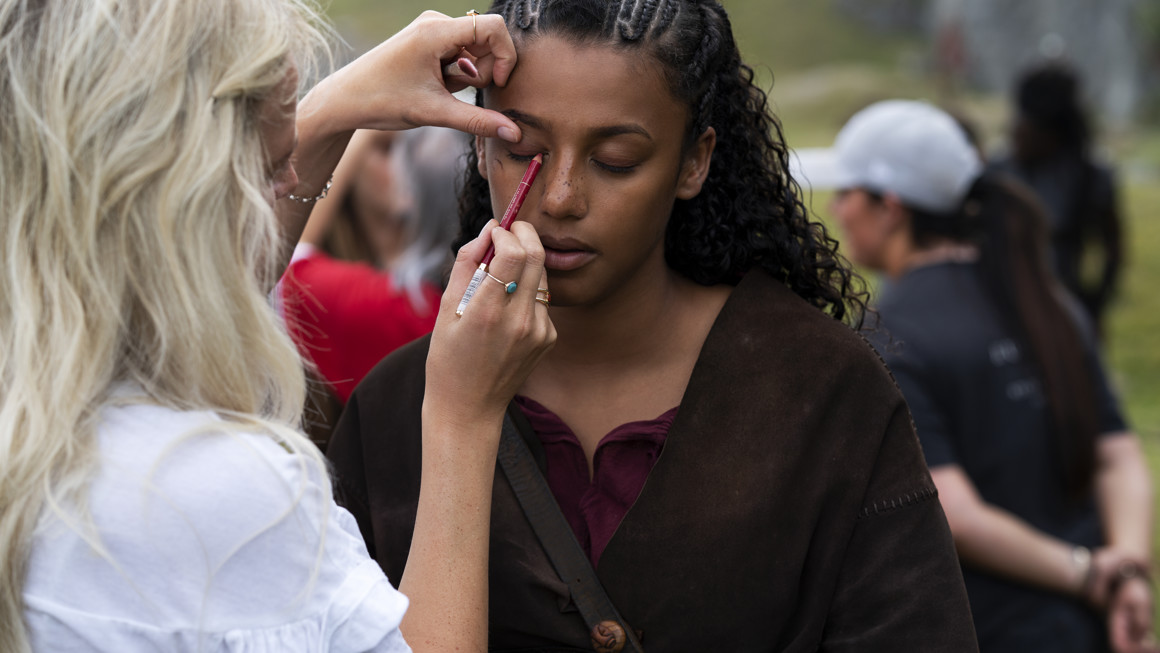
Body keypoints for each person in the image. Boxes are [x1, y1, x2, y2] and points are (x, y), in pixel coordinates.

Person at [327, 1, 978, 650]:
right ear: (479, 143)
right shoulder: (396, 406)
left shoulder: (820, 388)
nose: (560, 198)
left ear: (694, 161)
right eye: (521, 149)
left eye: (614, 160)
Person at [0, 1, 557, 652]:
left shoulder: (40, 399)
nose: (293, 183)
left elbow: (177, 317)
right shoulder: (217, 501)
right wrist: (464, 416)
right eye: (267, 171)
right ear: (177, 197)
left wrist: (327, 112)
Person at [821, 100, 1155, 653]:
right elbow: (1118, 453)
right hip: (1092, 631)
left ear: (890, 206)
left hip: (984, 630)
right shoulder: (1045, 299)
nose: (836, 210)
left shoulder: (887, 333)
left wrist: (1093, 575)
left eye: (847, 192)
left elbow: (954, 513)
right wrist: (1127, 572)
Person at [282, 127, 470, 405]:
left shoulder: (388, 308)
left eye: (393, 151)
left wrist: (360, 130)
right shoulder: (482, 306)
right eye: (385, 148)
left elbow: (286, 263)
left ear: (406, 188)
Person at [990, 63, 1124, 340]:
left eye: (1028, 126)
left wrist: (1095, 304)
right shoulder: (997, 170)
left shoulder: (1089, 176)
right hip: (1000, 306)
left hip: (1062, 307)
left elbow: (1112, 245)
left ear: (1053, 136)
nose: (1016, 131)